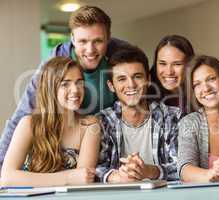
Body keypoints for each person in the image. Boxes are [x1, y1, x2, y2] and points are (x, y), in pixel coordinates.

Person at [0, 5, 128, 171]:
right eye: (82, 41)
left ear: (108, 39)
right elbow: (22, 115)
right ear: (72, 39)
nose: (90, 50)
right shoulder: (55, 64)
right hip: (60, 151)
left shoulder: (120, 56)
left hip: (104, 150)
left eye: (98, 41)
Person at [1, 57, 100, 187]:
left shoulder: (90, 125)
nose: (75, 90)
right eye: (65, 84)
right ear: (50, 89)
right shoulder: (29, 124)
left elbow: (83, 180)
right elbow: (7, 177)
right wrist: (68, 177)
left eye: (79, 83)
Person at [96, 45, 181, 183]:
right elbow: (94, 168)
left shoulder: (172, 117)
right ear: (111, 85)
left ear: (148, 79)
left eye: (137, 76)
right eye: (122, 79)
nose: (131, 85)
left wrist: (149, 171)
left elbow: (183, 167)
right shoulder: (102, 121)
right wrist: (118, 176)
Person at [148, 35, 194, 114]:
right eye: (162, 63)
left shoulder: (201, 92)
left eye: (177, 64)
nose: (169, 72)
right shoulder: (146, 97)